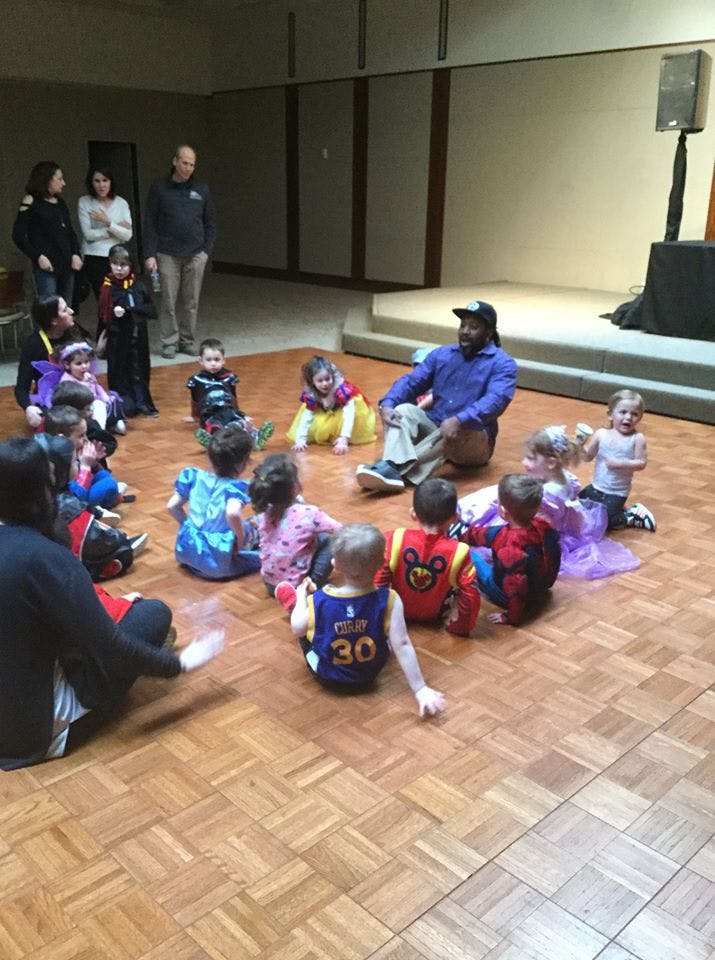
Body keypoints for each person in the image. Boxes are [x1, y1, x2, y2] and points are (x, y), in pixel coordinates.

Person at [0, 437, 224, 769]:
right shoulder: (45, 557)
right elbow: (111, 647)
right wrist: (180, 664)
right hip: (33, 729)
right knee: (153, 615)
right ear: (43, 492)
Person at [356, 300, 517, 493]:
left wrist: (459, 419)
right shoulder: (442, 354)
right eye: (463, 325)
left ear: (488, 333)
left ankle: (392, 468)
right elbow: (412, 381)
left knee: (465, 425)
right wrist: (388, 404)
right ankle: (393, 470)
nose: (465, 331)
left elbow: (496, 400)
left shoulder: (503, 364)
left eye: (473, 327)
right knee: (402, 410)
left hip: (474, 442)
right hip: (437, 427)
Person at [288, 524, 446, 717]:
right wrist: (420, 689)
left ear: (335, 565)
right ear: (382, 563)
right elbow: (403, 644)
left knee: (305, 629)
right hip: (370, 675)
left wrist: (302, 597)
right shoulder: (390, 599)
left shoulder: (319, 599)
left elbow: (297, 629)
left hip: (327, 676)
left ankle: (293, 600)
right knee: (390, 634)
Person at [456, 425, 641, 579]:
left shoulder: (548, 495)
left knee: (496, 513)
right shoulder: (562, 477)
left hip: (546, 529)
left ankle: (466, 528)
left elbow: (538, 526)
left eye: (530, 458)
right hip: (561, 522)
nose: (524, 462)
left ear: (551, 463)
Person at [374, 478, 480, 636]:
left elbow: (378, 582)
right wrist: (462, 626)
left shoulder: (394, 538)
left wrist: (379, 617)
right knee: (463, 576)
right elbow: (471, 594)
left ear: (413, 514)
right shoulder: (460, 551)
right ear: (454, 518)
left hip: (397, 611)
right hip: (436, 616)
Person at [35, 433, 146, 581]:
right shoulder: (69, 505)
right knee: (123, 554)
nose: (78, 464)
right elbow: (98, 540)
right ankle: (97, 570)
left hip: (44, 556)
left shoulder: (38, 493)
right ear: (63, 471)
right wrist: (120, 538)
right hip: (66, 560)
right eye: (75, 462)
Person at [455, 474, 561, 626]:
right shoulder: (543, 525)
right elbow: (555, 555)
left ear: (503, 511)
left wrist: (510, 617)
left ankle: (459, 536)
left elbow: (515, 587)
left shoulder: (510, 545)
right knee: (491, 536)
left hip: (510, 595)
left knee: (467, 554)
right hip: (542, 585)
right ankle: (464, 533)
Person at [143, 144, 216, 359]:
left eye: (192, 164)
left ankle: (187, 340)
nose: (188, 168)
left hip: (196, 254)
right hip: (167, 254)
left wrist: (205, 251)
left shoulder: (202, 189)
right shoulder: (159, 188)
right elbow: (150, 222)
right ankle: (169, 341)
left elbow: (210, 222)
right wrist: (149, 254)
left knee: (191, 301)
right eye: (184, 163)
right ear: (175, 161)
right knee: (168, 299)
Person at [167, 426, 261, 580]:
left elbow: (172, 506)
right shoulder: (235, 488)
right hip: (216, 561)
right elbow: (232, 513)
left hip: (186, 551)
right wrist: (240, 537)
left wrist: (187, 526)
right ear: (242, 463)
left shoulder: (194, 476)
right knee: (255, 527)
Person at [248, 453, 342, 607]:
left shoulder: (263, 513)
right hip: (297, 589)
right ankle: (312, 584)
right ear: (295, 488)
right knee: (331, 539)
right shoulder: (310, 513)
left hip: (271, 586)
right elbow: (340, 530)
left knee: (308, 535)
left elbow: (254, 523)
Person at [579, 389, 655, 531]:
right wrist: (578, 446)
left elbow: (641, 463)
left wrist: (620, 464)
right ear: (610, 415)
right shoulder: (601, 434)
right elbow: (588, 456)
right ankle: (617, 509)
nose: (628, 417)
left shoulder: (637, 439)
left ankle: (631, 516)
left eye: (634, 414)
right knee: (578, 509)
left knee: (606, 523)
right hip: (596, 487)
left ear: (640, 418)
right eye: (623, 412)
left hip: (617, 492)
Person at [98, 244, 158, 418]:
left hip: (138, 338)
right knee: (119, 370)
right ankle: (122, 404)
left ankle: (143, 402)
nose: (119, 269)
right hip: (117, 339)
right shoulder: (107, 288)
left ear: (130, 265)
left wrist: (131, 309)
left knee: (139, 370)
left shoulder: (138, 286)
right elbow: (102, 316)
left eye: (123, 264)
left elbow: (152, 310)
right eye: (115, 264)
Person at [12, 161, 83, 303]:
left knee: (66, 309)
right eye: (59, 179)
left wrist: (76, 253)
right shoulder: (30, 201)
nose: (63, 183)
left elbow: (69, 232)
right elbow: (18, 235)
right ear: (47, 180)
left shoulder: (60, 203)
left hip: (67, 264)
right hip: (46, 266)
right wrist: (38, 257)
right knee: (48, 311)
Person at [185, 338, 273, 449]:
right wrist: (195, 416)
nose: (213, 363)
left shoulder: (229, 377)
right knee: (216, 427)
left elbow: (233, 397)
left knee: (240, 424)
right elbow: (194, 399)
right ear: (200, 360)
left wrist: (241, 414)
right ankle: (212, 442)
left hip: (229, 411)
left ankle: (256, 438)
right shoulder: (197, 379)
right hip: (210, 414)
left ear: (223, 360)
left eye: (217, 360)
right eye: (208, 360)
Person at [287, 355, 376, 455]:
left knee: (349, 417)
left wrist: (344, 438)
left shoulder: (342, 390)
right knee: (313, 423)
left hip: (344, 412)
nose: (325, 384)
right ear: (312, 382)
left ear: (333, 376)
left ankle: (340, 435)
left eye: (327, 379)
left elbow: (349, 414)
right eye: (320, 381)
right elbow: (306, 417)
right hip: (326, 410)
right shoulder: (311, 394)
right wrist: (301, 439)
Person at [34, 341, 125, 433]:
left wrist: (105, 397)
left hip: (93, 405)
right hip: (78, 410)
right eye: (79, 363)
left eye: (86, 362)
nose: (84, 366)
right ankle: (99, 430)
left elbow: (97, 388)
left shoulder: (89, 376)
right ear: (66, 365)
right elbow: (73, 400)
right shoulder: (66, 381)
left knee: (110, 402)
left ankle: (111, 423)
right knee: (98, 405)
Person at [15, 295, 78, 429]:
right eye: (65, 310)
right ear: (54, 320)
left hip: (75, 394)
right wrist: (28, 408)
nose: (71, 311)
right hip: (49, 400)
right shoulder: (33, 345)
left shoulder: (73, 334)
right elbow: (21, 387)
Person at [44, 405, 124, 509]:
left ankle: (110, 499)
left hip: (80, 492)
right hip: (70, 502)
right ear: (62, 438)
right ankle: (100, 508)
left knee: (105, 479)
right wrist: (86, 466)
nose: (86, 439)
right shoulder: (57, 459)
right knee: (109, 484)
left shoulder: (74, 450)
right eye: (81, 436)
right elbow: (75, 495)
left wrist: (94, 463)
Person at [77, 166, 132, 304]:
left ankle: (115, 326)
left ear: (111, 182)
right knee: (104, 299)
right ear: (91, 183)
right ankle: (105, 326)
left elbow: (127, 235)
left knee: (120, 298)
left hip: (119, 256)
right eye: (97, 181)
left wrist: (107, 222)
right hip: (95, 258)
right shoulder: (84, 202)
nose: (101, 185)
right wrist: (115, 228)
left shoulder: (121, 203)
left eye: (105, 180)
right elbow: (88, 235)